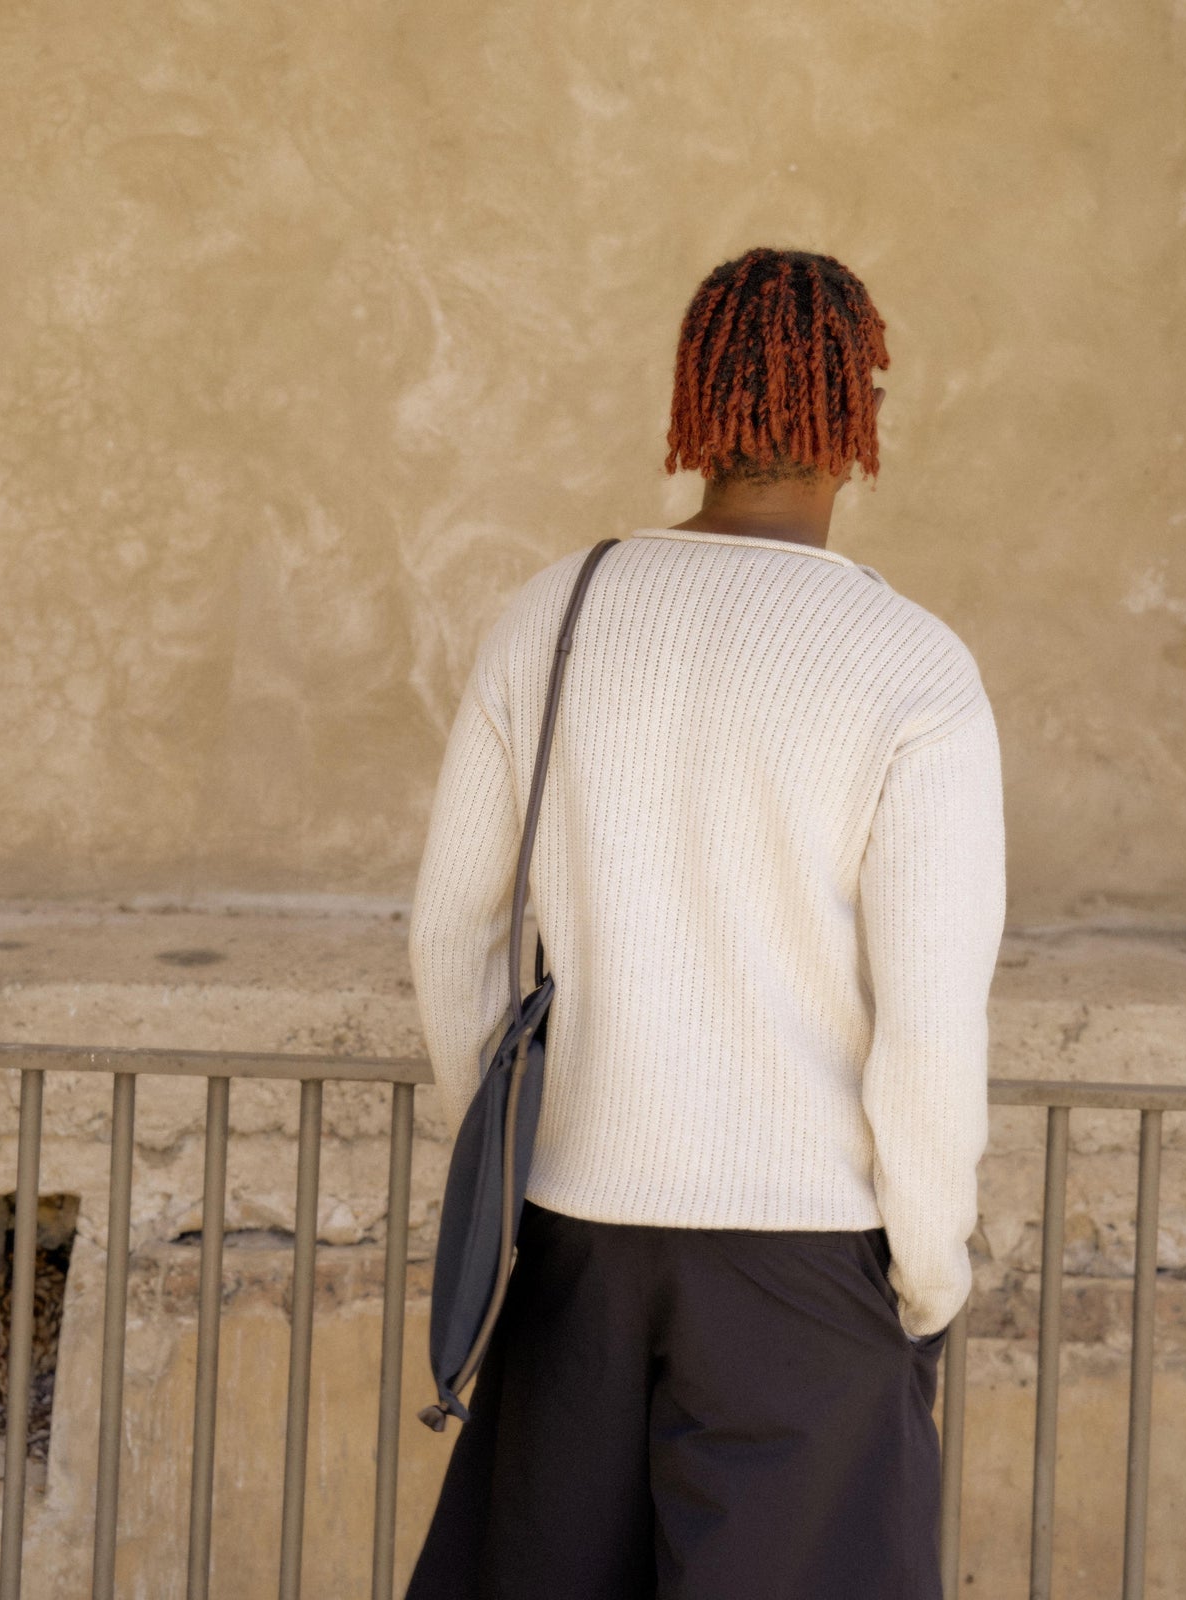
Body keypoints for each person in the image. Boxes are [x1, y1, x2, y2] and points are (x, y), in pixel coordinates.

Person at [404, 245, 1007, 1599]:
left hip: (575, 1247)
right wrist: (925, 1267)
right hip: (809, 1264)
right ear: (861, 414)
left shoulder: (550, 613)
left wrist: (526, 1157)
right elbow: (927, 1018)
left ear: (696, 401)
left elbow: (454, 933)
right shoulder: (913, 668)